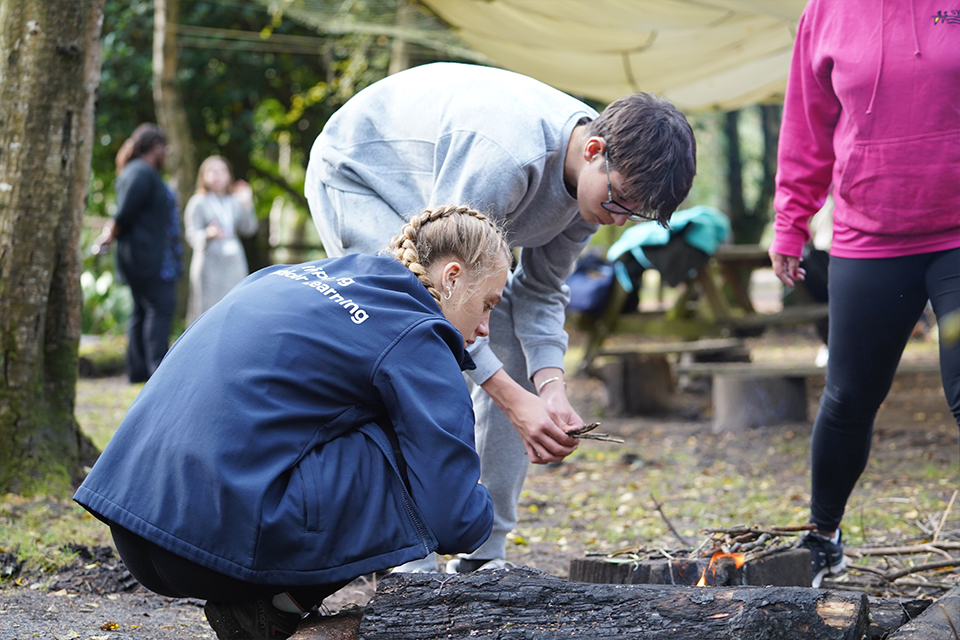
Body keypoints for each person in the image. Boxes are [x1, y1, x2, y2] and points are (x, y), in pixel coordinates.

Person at [305, 62, 697, 572]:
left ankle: (482, 551)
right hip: (362, 178)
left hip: (447, 220)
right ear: (595, 151)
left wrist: (549, 386)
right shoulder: (506, 158)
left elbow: (539, 289)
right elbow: (440, 284)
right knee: (411, 341)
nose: (619, 219)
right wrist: (515, 400)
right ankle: (406, 552)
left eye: (634, 213)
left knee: (502, 333)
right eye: (619, 201)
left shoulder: (591, 197)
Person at [74, 205, 510, 640]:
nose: (486, 327)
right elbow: (455, 518)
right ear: (451, 278)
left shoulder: (291, 274)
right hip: (205, 549)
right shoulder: (417, 332)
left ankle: (262, 603)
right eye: (488, 304)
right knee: (412, 449)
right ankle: (275, 608)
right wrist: (486, 510)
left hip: (131, 520)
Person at [768, 0, 960, 588]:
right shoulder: (825, 11)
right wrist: (790, 222)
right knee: (849, 398)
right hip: (869, 237)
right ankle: (823, 536)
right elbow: (807, 125)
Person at [92, 123, 183, 383]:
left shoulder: (140, 172)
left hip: (149, 257)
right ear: (156, 147)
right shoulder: (140, 173)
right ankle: (156, 372)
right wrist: (106, 237)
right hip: (147, 258)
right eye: (164, 148)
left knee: (142, 311)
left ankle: (139, 371)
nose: (166, 154)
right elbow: (124, 214)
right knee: (160, 308)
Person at [184, 156, 259, 325]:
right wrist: (207, 234)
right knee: (206, 313)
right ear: (203, 176)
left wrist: (248, 204)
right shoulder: (198, 202)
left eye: (222, 171)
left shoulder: (235, 201)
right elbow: (191, 235)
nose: (217, 176)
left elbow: (249, 229)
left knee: (234, 307)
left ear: (229, 176)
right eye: (212, 171)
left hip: (234, 265)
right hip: (209, 266)